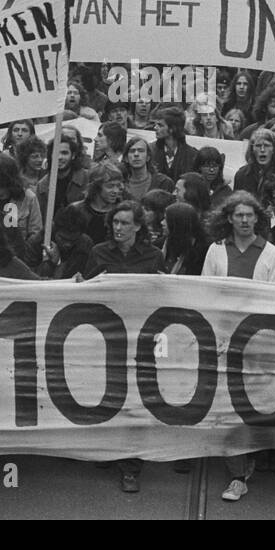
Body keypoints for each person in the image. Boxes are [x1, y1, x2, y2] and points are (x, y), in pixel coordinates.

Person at [81, 200, 164, 493]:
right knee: (106, 395)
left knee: (134, 400)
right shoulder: (98, 252)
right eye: (115, 223)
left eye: (125, 223)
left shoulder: (153, 256)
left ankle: (131, 465)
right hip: (107, 336)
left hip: (140, 335)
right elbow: (86, 292)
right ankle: (107, 450)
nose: (118, 228)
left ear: (138, 226)